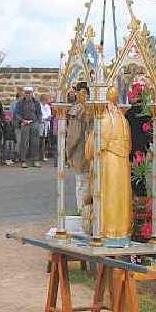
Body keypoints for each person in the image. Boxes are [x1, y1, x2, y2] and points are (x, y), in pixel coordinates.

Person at [84, 86, 133, 244]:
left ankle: (106, 232)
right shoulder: (123, 119)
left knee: (108, 196)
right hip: (122, 164)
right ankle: (122, 232)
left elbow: (91, 148)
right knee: (121, 198)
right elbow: (129, 145)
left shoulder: (104, 118)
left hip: (109, 164)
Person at [66, 83, 93, 230]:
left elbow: (73, 136)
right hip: (95, 155)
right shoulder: (96, 108)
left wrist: (68, 152)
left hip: (82, 154)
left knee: (82, 186)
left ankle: (84, 219)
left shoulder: (79, 110)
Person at [15, 86, 43, 168]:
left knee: (35, 142)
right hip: (25, 123)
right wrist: (22, 120)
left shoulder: (36, 102)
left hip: (34, 123)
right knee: (24, 142)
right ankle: (23, 160)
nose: (28, 94)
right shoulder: (20, 103)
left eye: (29, 93)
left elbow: (39, 113)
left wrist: (38, 121)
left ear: (32, 93)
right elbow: (17, 113)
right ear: (24, 93)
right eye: (26, 93)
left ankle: (35, 160)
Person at [39, 92, 54, 163]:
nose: (48, 100)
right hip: (41, 125)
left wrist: (49, 117)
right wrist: (44, 118)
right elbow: (39, 115)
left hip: (47, 125)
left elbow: (49, 114)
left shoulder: (47, 106)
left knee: (45, 141)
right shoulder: (39, 106)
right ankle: (39, 155)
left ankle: (44, 155)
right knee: (40, 140)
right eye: (47, 99)